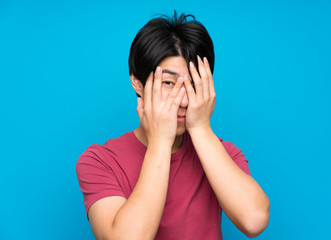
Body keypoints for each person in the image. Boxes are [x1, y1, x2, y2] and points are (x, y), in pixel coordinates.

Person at [76, 11, 270, 240]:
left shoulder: (222, 154)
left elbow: (254, 221)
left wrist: (201, 129)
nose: (185, 100)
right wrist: (160, 141)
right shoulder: (100, 160)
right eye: (169, 83)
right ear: (137, 83)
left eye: (193, 84)